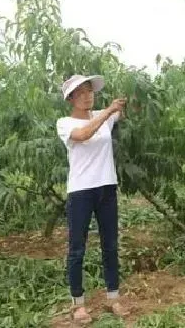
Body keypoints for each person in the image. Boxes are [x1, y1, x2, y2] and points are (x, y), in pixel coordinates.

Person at [56, 74, 128, 323]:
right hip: (80, 192)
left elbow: (125, 110)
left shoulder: (103, 116)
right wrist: (108, 111)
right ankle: (78, 304)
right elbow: (84, 134)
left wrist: (126, 101)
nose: (88, 95)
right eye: (81, 92)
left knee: (110, 246)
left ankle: (113, 298)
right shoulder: (64, 123)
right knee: (77, 249)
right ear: (71, 99)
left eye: (90, 90)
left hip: (106, 187)